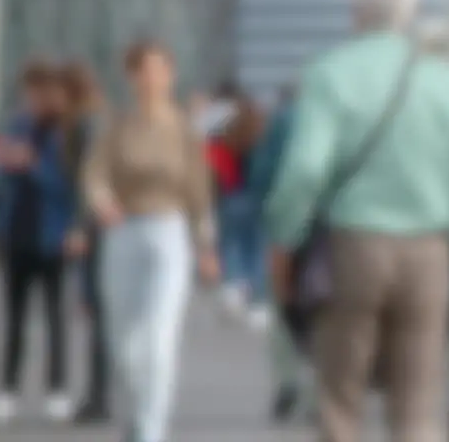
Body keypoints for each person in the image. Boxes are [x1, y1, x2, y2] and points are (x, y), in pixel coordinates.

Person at [265, 0, 449, 442]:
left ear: (354, 11)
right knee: (417, 409)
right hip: (429, 250)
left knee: (340, 401)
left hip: (352, 245)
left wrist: (286, 235)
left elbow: (306, 169)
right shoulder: (448, 82)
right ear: (410, 12)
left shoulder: (329, 74)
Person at [82, 40, 220, 442]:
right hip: (123, 231)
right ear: (131, 77)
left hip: (169, 232)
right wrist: (102, 202)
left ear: (171, 75)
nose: (152, 78)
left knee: (159, 338)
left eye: (160, 69)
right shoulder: (116, 125)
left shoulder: (183, 129)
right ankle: (137, 414)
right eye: (143, 70)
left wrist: (205, 245)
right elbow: (95, 174)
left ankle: (151, 430)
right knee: (124, 343)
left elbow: (199, 189)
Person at [0, 62, 80, 425]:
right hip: (17, 233)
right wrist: (1, 163)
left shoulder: (65, 132)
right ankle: (6, 391)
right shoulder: (16, 126)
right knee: (14, 318)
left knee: (56, 317)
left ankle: (57, 390)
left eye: (41, 93)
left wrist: (33, 165)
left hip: (52, 235)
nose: (35, 101)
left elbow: (66, 187)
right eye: (30, 93)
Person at [247, 84, 313, 423]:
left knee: (283, 303)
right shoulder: (346, 118)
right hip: (333, 229)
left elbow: (261, 170)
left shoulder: (285, 119)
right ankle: (320, 387)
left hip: (286, 223)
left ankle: (288, 381)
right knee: (325, 307)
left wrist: (268, 210)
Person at [58, 63, 112, 425]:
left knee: (100, 312)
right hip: (100, 226)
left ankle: (100, 396)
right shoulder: (95, 119)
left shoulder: (88, 122)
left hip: (97, 229)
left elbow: (89, 179)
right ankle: (100, 394)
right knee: (99, 312)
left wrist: (80, 227)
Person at [215, 93, 270, 329]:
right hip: (258, 198)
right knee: (257, 249)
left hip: (232, 196)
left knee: (231, 243)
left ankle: (234, 284)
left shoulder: (228, 135)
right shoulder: (263, 136)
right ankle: (257, 300)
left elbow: (217, 164)